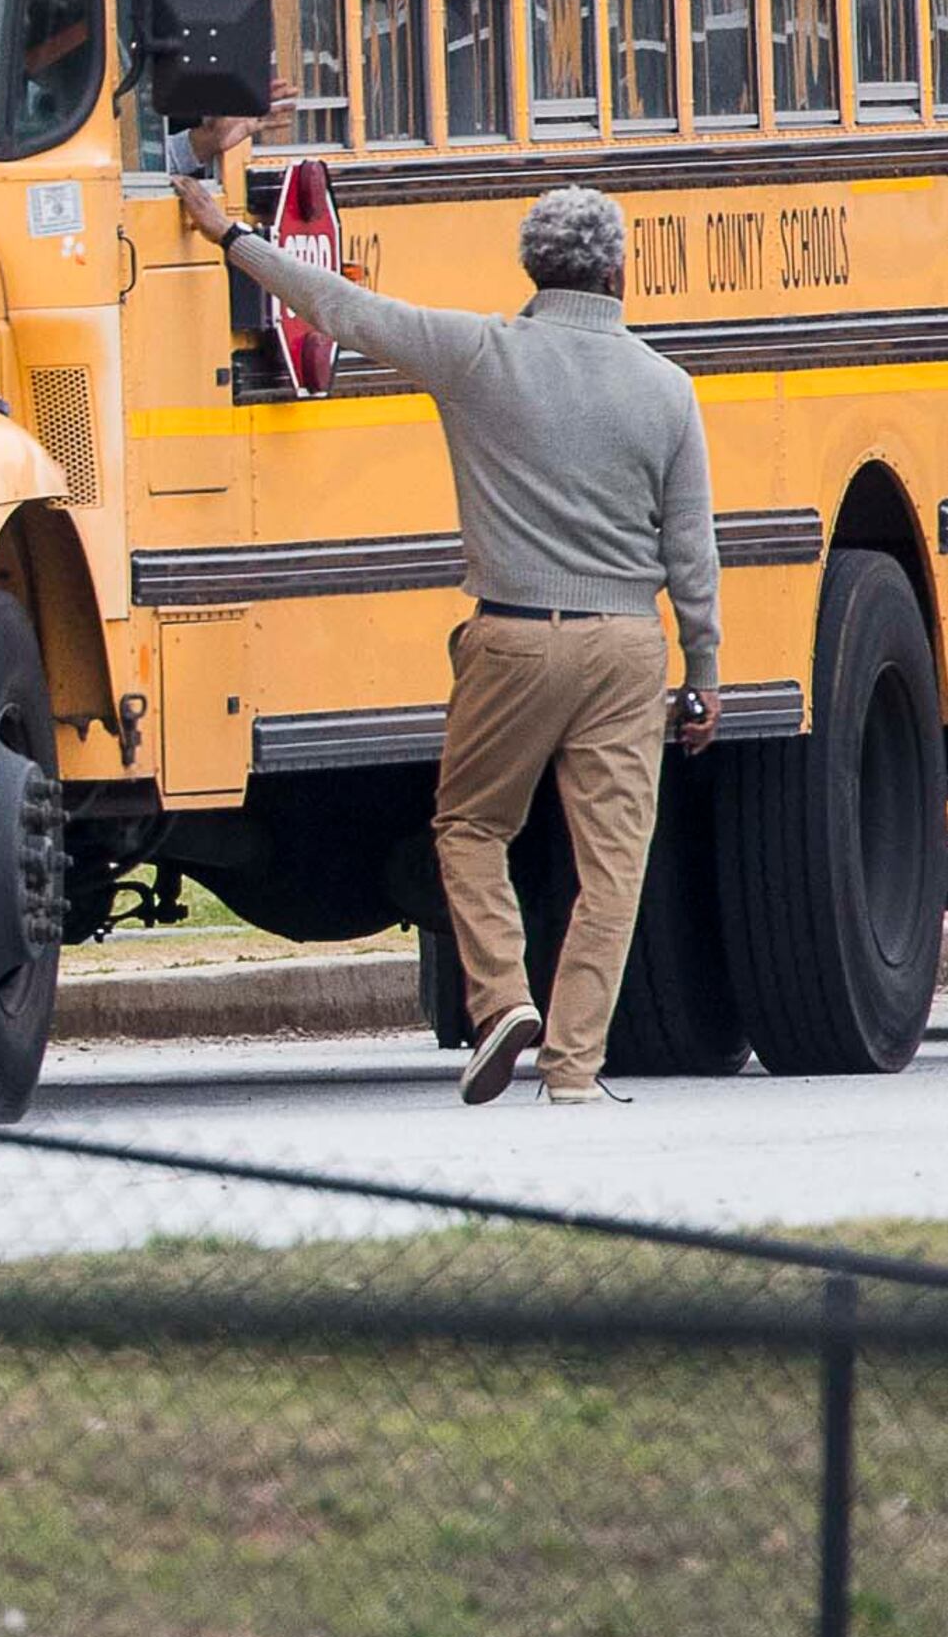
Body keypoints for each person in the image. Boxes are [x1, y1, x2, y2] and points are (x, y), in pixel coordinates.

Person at [173, 126, 719, 1107]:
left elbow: (342, 306)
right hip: (630, 648)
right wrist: (706, 671)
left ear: (529, 266)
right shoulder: (667, 391)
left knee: (469, 825)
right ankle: (576, 1071)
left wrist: (231, 235)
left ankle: (504, 993)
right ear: (620, 270)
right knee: (612, 866)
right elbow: (692, 552)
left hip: (512, 637)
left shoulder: (478, 356)